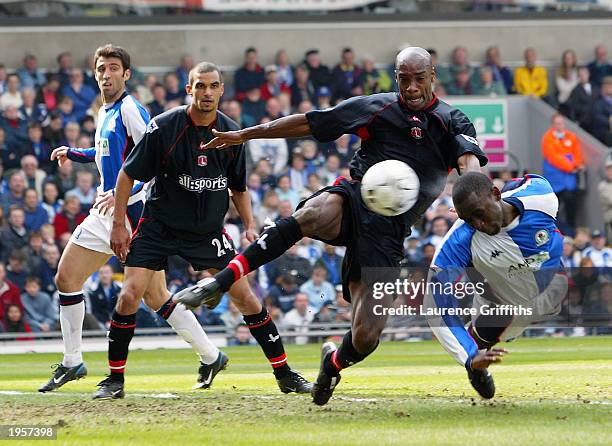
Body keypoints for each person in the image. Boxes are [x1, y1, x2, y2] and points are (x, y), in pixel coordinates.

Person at [176, 47, 486, 405]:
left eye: (419, 78)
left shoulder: (452, 121)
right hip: (355, 199)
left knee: (366, 338)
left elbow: (469, 162)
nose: (412, 87)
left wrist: (474, 190)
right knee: (313, 214)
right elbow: (311, 121)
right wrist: (246, 135)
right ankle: (221, 281)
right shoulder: (377, 107)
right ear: (395, 77)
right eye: (404, 79)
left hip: (389, 234)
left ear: (433, 76)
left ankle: (333, 365)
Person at [101, 61, 311, 400]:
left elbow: (239, 187)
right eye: (200, 86)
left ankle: (285, 374)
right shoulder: (163, 128)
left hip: (206, 232)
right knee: (129, 295)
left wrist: (250, 224)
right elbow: (127, 175)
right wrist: (118, 225)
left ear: (221, 90)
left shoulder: (232, 134)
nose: (207, 92)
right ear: (189, 89)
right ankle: (114, 381)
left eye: (213, 86)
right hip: (159, 226)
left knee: (246, 297)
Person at [39, 44, 224, 394]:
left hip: (133, 214)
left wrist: (126, 194)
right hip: (105, 212)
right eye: (101, 69)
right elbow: (109, 153)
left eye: (113, 68)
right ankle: (72, 361)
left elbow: (156, 161)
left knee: (154, 297)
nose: (106, 74)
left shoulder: (131, 110)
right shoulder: (103, 112)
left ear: (125, 74)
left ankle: (210, 355)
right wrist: (75, 153)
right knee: (68, 277)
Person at [425, 172, 566, 399]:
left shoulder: (541, 195)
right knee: (484, 336)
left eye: (479, 213)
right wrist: (469, 356)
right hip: (500, 299)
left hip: (550, 282)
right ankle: (477, 366)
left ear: (496, 194)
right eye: (469, 218)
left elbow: (524, 181)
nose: (478, 224)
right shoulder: (462, 237)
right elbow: (435, 300)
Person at [541, 113, 584, 233]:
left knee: (571, 204)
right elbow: (553, 157)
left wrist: (575, 164)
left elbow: (577, 155)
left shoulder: (571, 137)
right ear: (553, 125)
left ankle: (571, 229)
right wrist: (571, 166)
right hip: (555, 179)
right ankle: (556, 231)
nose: (559, 126)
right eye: (557, 123)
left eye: (561, 123)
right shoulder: (548, 138)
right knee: (555, 207)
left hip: (569, 180)